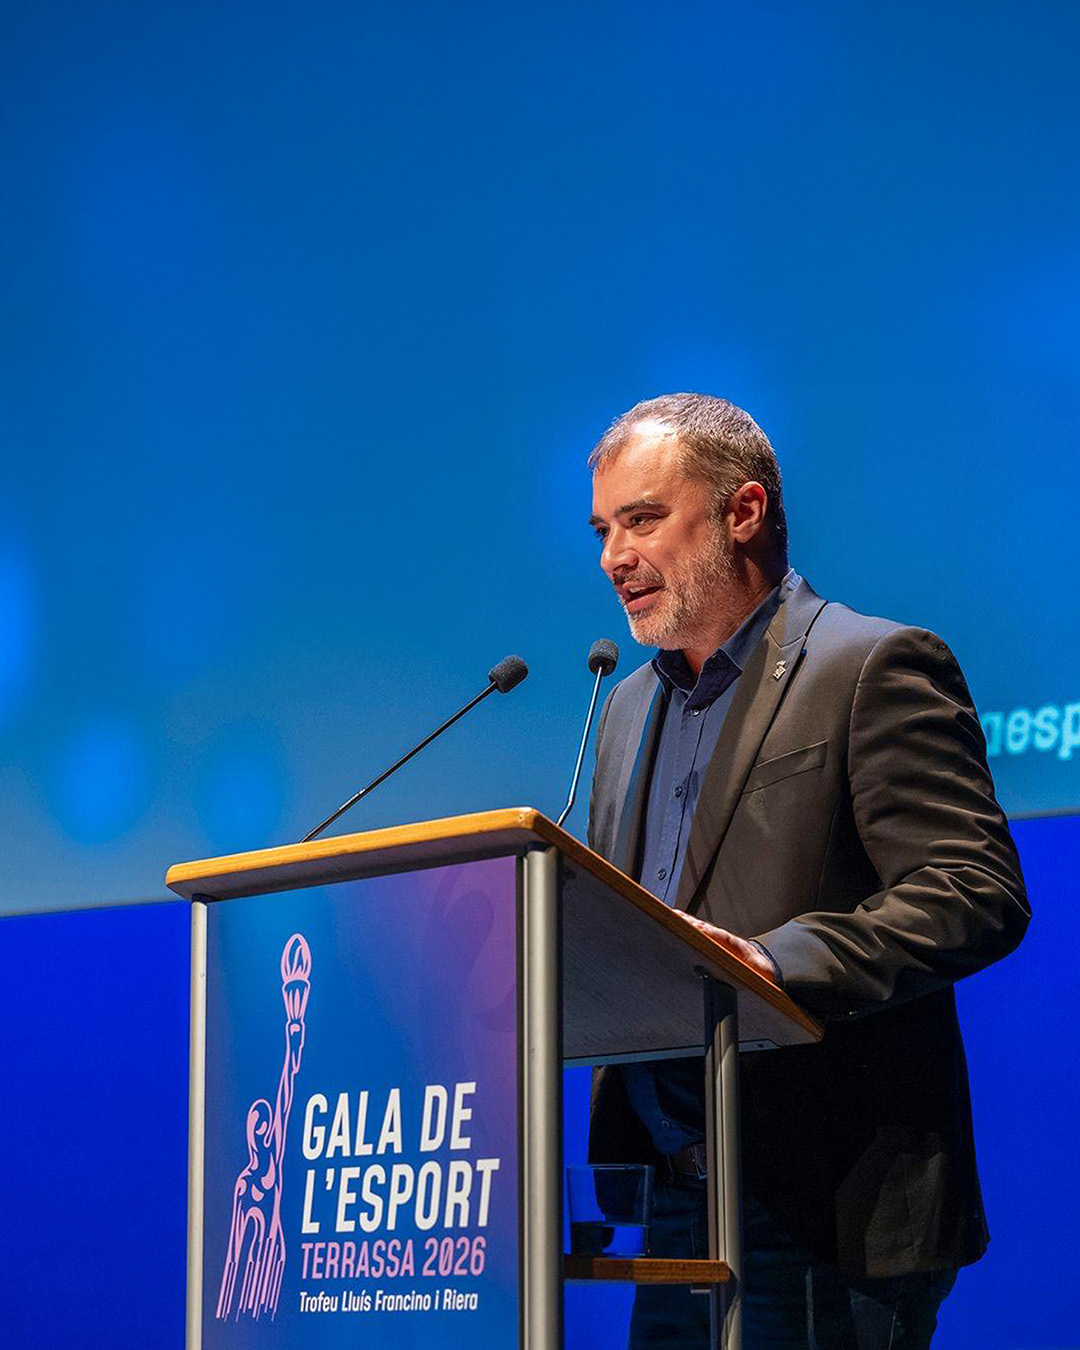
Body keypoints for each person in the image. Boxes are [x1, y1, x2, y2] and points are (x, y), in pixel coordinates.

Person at [585, 393, 1029, 1349]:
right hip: (677, 1202)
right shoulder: (625, 708)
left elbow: (973, 890)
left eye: (643, 520)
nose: (615, 555)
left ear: (743, 512)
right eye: (604, 529)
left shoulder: (871, 666)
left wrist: (773, 963)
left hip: (828, 1200)